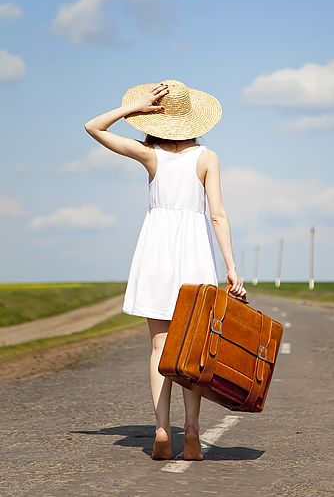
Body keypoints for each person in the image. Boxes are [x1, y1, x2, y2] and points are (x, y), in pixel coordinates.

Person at [84, 79, 247, 462]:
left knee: (159, 345)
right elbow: (218, 215)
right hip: (194, 255)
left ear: (157, 119)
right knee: (192, 348)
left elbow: (93, 127)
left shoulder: (150, 155)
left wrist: (132, 108)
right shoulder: (207, 157)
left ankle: (161, 429)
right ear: (193, 119)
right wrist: (232, 268)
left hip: (156, 252)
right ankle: (190, 430)